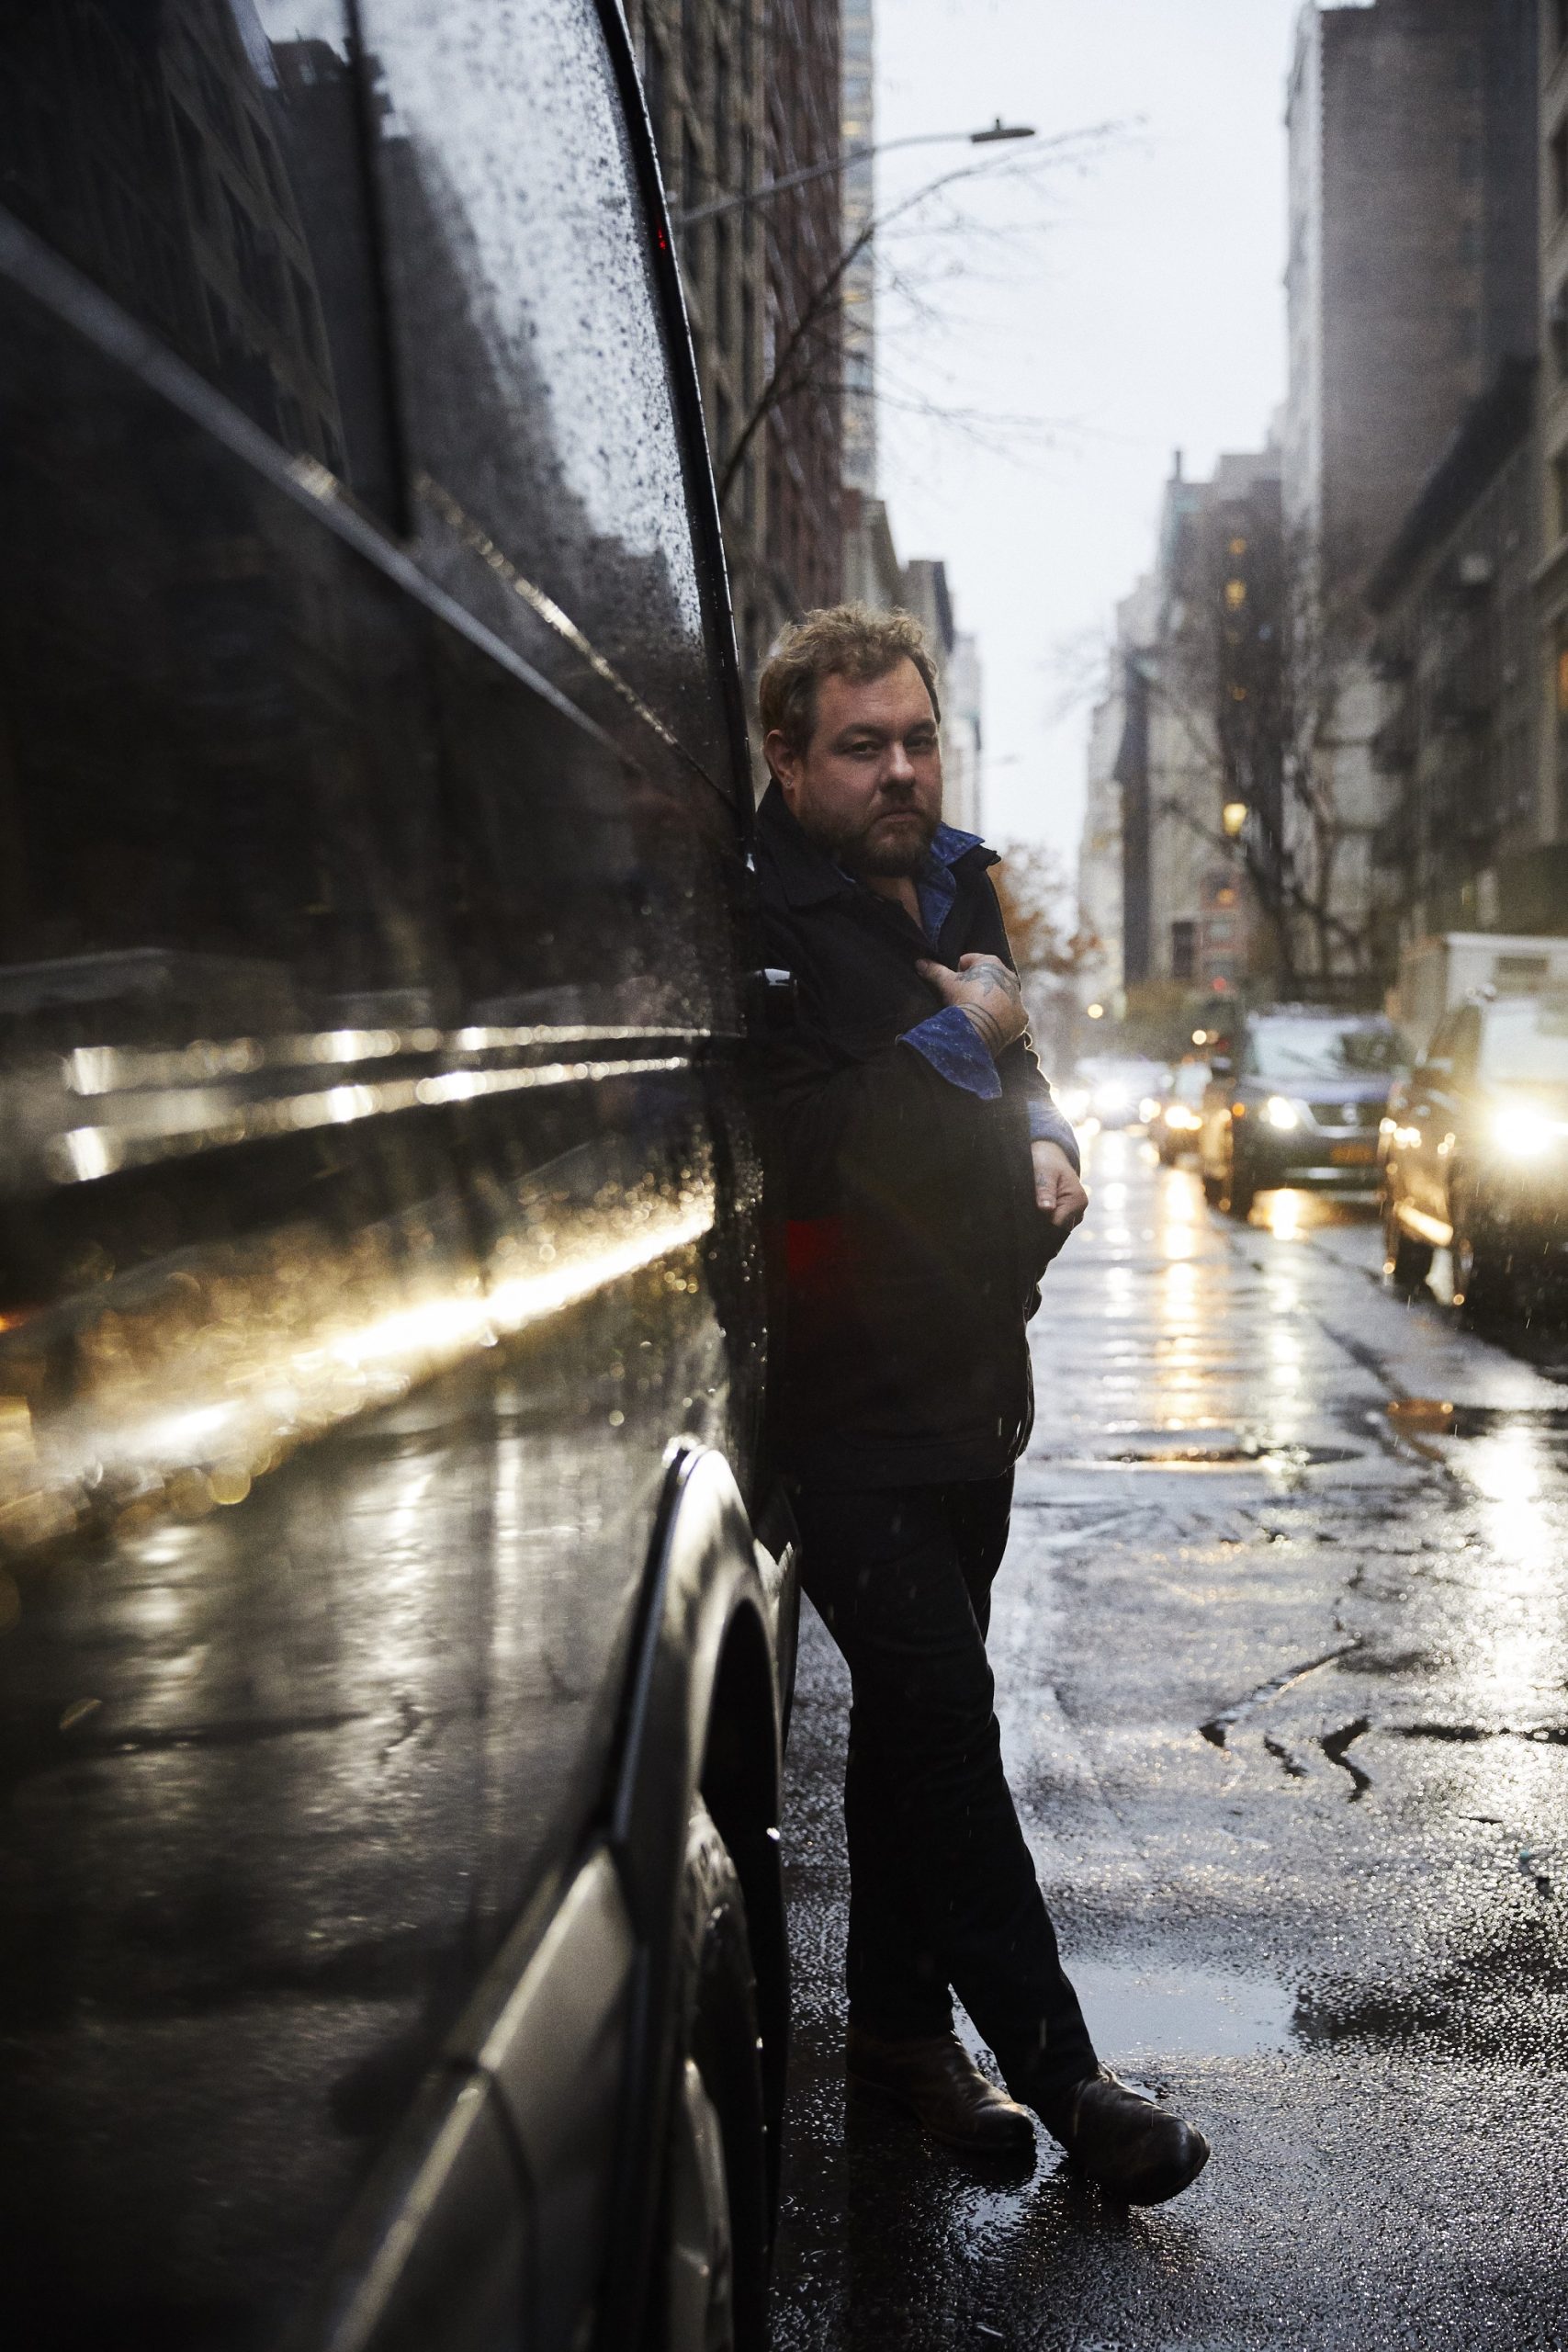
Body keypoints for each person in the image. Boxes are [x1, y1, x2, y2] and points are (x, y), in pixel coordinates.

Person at [754, 605, 1209, 2205]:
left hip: (972, 1381)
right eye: (861, 745)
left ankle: (895, 2038)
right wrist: (972, 1033)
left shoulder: (956, 879)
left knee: (908, 1729)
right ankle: (1065, 2075)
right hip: (847, 1396)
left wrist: (1049, 1132)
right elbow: (812, 1151)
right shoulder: (765, 916)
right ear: (788, 757)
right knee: (947, 1717)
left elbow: (1018, 1072)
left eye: (916, 737)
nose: (898, 771)